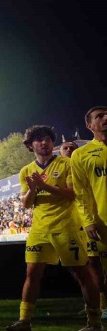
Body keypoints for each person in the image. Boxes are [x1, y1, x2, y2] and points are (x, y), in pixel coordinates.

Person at [6, 125, 104, 331]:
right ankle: (24, 321)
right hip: (39, 229)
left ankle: (95, 323)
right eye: (39, 139)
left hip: (66, 227)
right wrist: (32, 190)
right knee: (32, 274)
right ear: (30, 145)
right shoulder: (26, 171)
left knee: (83, 273)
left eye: (48, 139)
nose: (44, 142)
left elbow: (72, 194)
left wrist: (44, 187)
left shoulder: (67, 163)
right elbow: (26, 203)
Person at [72, 107, 107, 319]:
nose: (106, 118)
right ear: (89, 125)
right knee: (98, 268)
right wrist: (88, 221)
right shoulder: (81, 154)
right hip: (101, 222)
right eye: (99, 116)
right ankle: (103, 307)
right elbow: (80, 192)